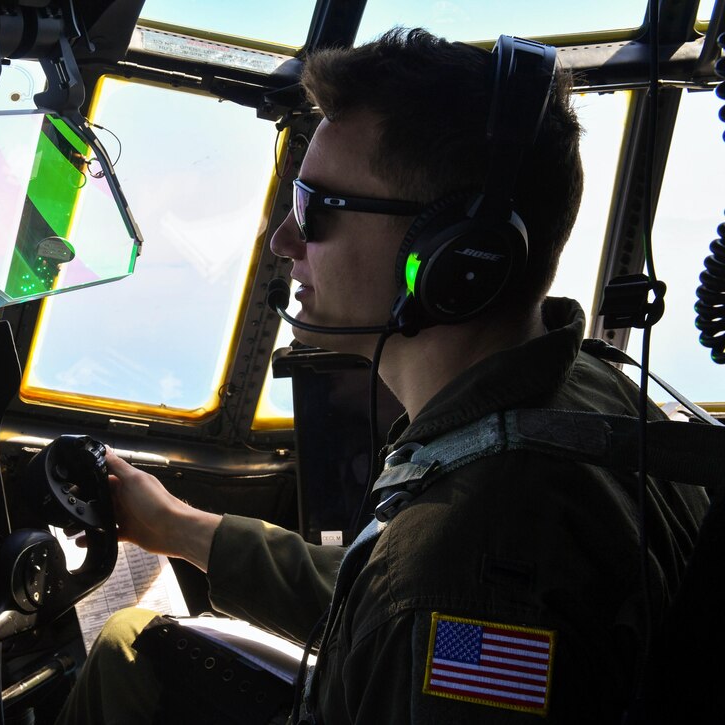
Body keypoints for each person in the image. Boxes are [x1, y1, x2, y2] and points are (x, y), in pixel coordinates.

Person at [56, 28, 708, 723]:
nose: (283, 240)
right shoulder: (585, 395)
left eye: (316, 209)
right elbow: (385, 604)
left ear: (456, 256)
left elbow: (430, 603)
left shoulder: (475, 563)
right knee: (130, 646)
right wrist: (183, 527)